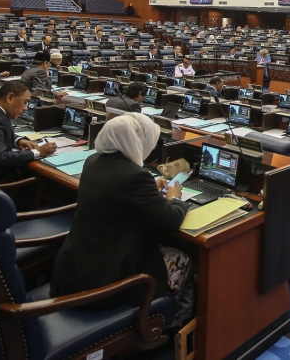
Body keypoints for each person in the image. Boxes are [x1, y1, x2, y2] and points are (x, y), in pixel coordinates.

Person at [50, 113, 194, 323]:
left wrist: (149, 192)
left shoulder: (93, 161)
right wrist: (175, 199)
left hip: (74, 270)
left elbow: (117, 194)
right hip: (105, 284)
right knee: (185, 257)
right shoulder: (135, 176)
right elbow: (171, 220)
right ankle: (169, 325)